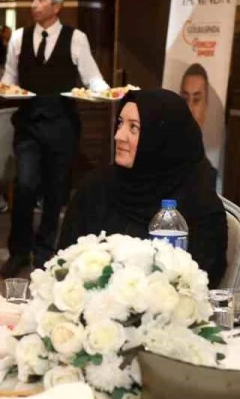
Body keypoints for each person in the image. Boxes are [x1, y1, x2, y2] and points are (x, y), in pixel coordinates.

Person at [58, 89, 228, 283]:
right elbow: (64, 263)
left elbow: (198, 286)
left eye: (134, 128)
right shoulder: (95, 186)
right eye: (120, 123)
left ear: (162, 138)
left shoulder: (200, 207)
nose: (119, 136)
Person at [0, 0, 109, 276]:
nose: (34, 5)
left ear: (57, 6)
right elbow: (9, 79)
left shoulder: (76, 38)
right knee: (25, 186)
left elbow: (92, 78)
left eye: (41, 0)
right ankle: (18, 251)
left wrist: (105, 92)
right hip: (28, 125)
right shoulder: (19, 38)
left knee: (55, 191)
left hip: (62, 126)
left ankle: (44, 251)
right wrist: (5, 89)